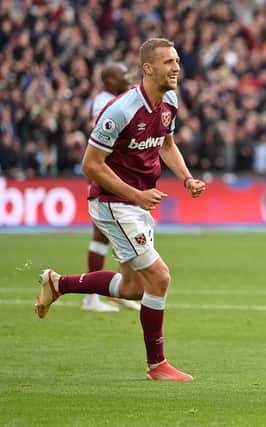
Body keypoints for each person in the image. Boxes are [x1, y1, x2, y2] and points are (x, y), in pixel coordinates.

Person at [35, 38, 206, 381]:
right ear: (148, 68)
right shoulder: (120, 110)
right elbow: (90, 165)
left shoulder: (169, 100)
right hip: (114, 203)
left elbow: (166, 144)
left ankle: (58, 284)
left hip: (136, 202)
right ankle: (157, 365)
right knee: (160, 278)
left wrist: (186, 178)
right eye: (169, 62)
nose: (176, 68)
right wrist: (135, 195)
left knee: (133, 289)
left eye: (177, 61)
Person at [82, 62, 141, 313]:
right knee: (106, 232)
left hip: (115, 173)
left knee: (113, 233)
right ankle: (93, 296)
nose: (128, 77)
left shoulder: (117, 98)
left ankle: (122, 289)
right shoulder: (103, 101)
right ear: (108, 80)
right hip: (106, 173)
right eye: (122, 74)